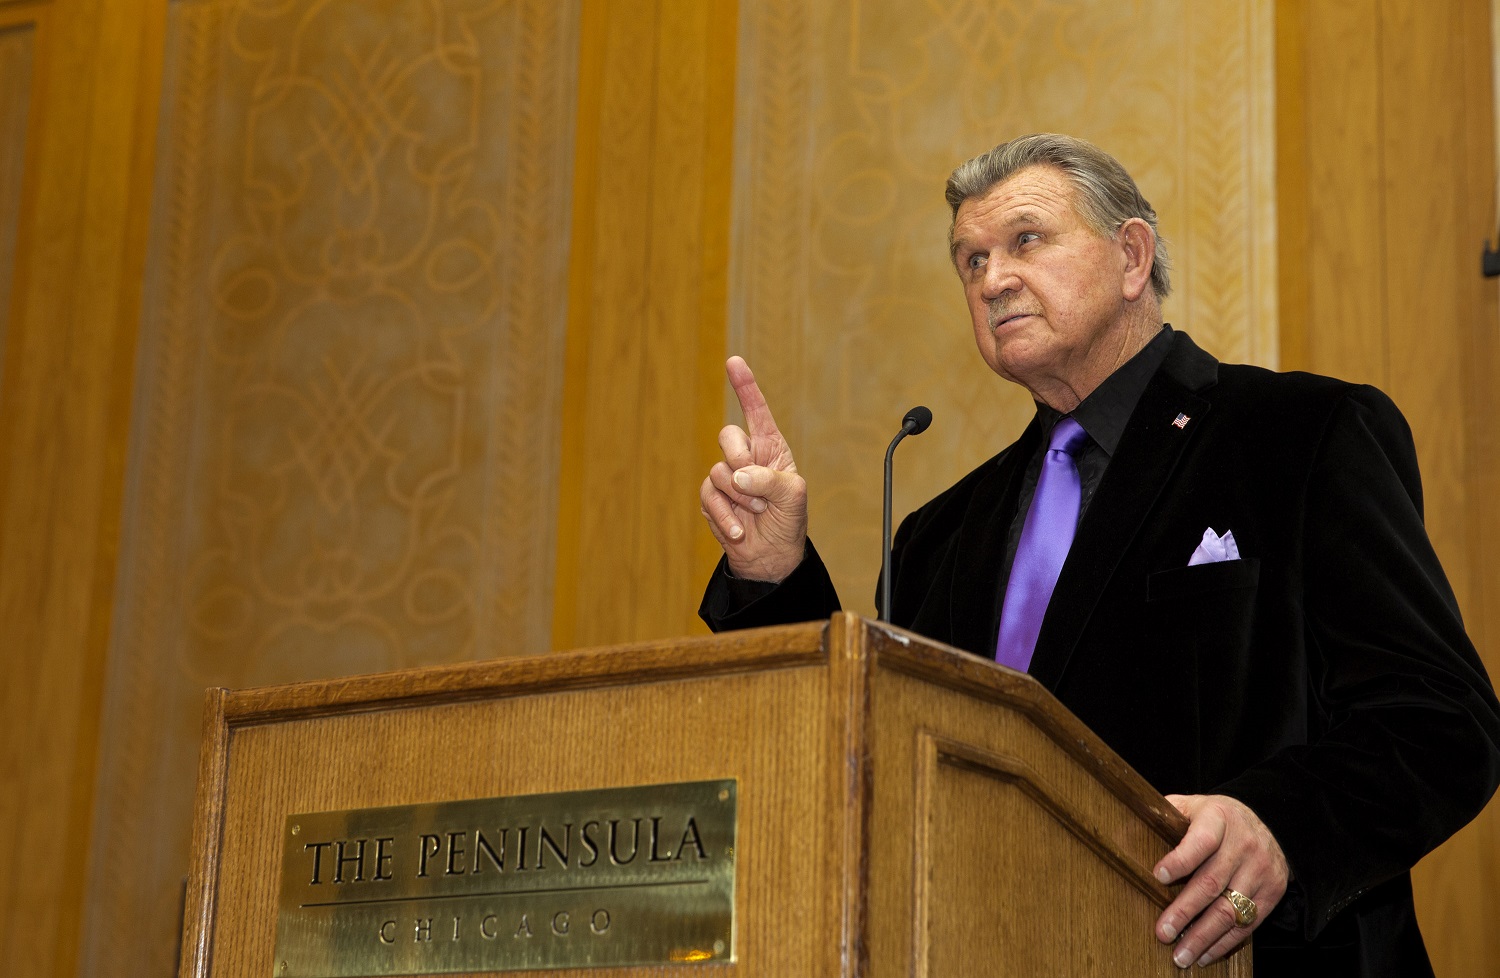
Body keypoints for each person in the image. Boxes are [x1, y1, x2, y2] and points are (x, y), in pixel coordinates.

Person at [697, 133, 1500, 975]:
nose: (992, 278)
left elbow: (1440, 722)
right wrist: (775, 575)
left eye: (1026, 240)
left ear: (1130, 255)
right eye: (969, 260)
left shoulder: (1300, 438)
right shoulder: (939, 535)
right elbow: (876, 764)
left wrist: (1280, 827)